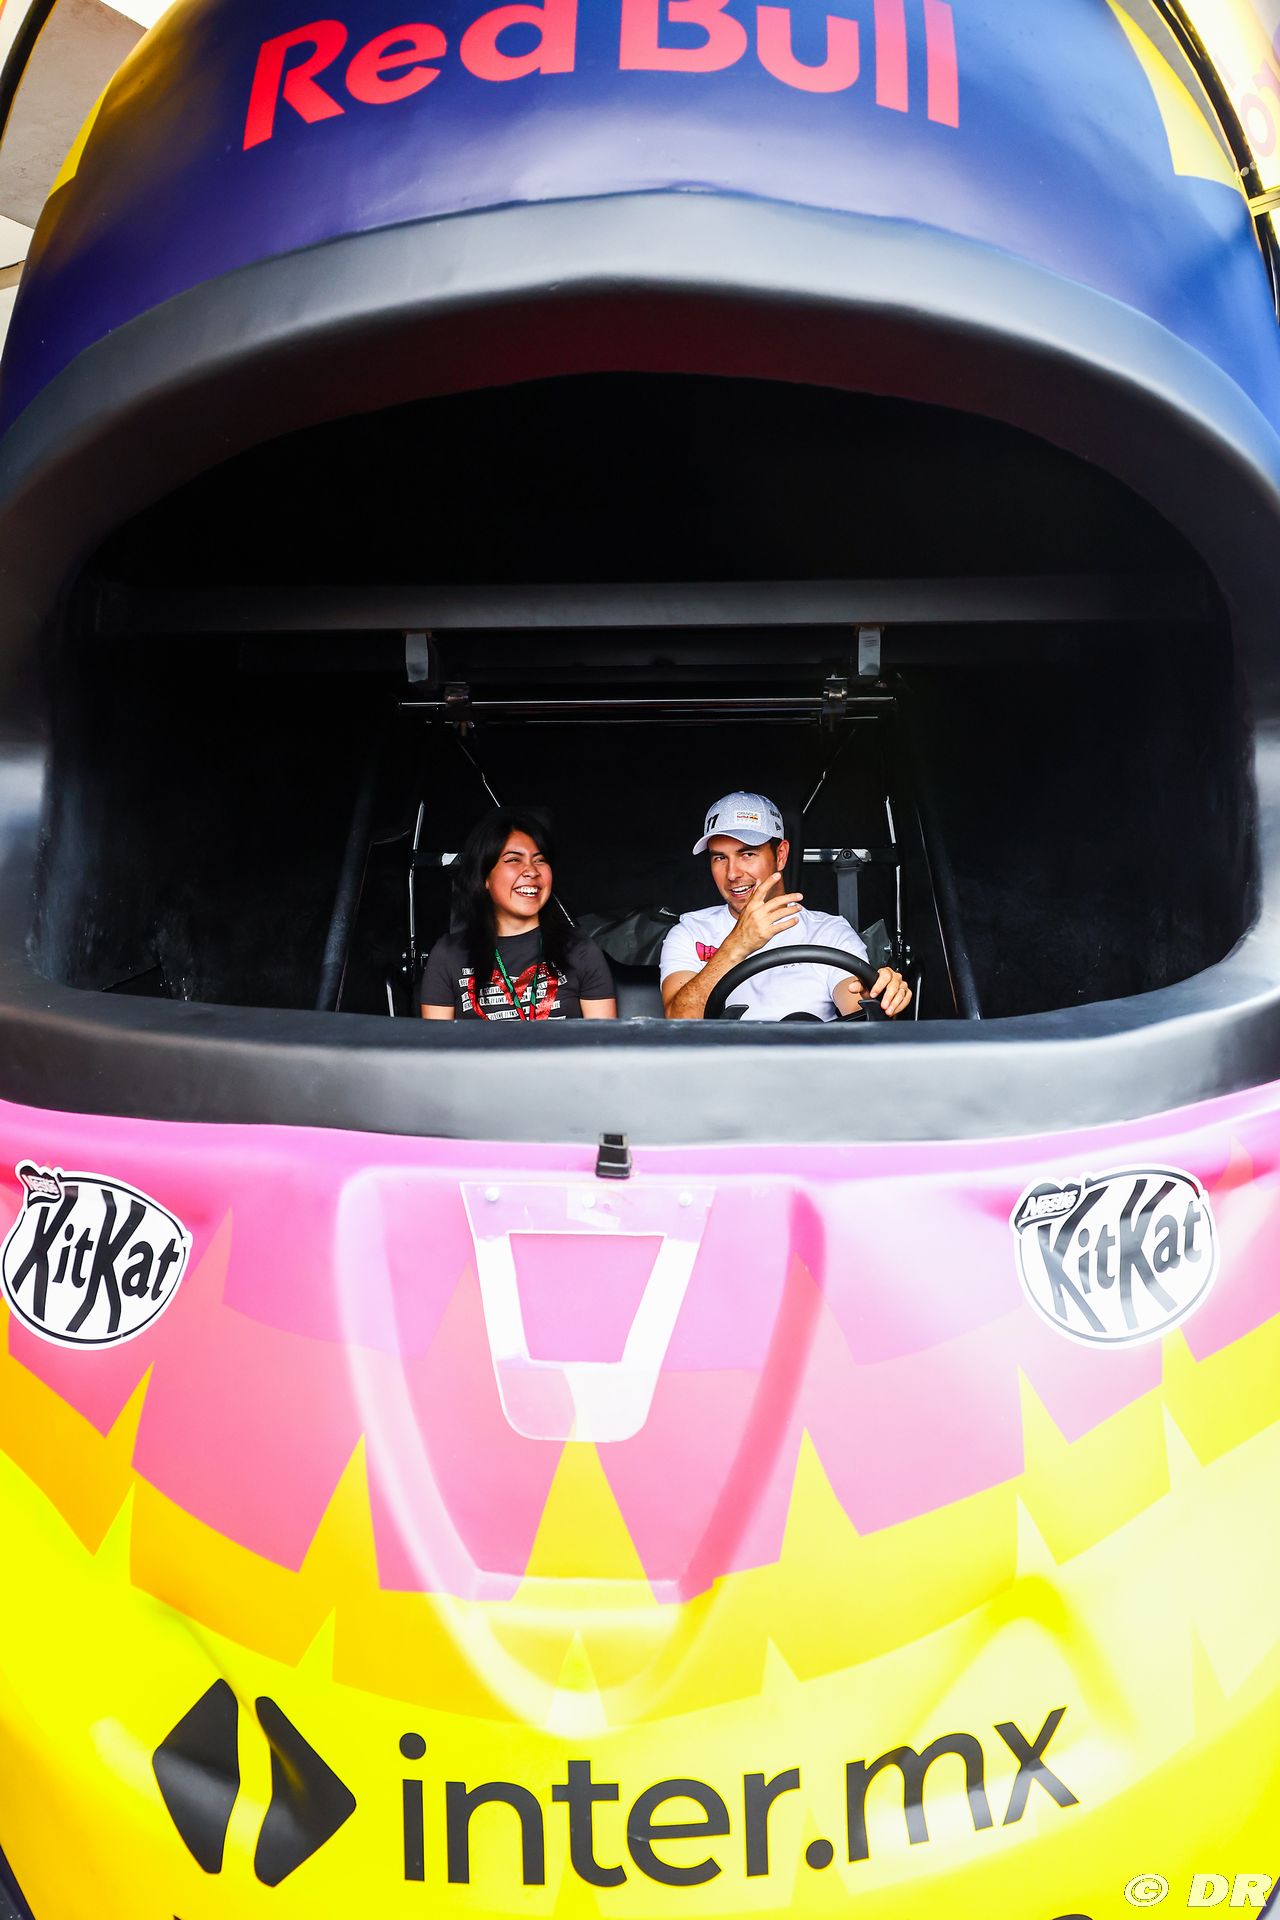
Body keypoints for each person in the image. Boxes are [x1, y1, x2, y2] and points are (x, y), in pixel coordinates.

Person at [660, 790, 912, 1021]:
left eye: (747, 854)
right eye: (719, 857)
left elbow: (860, 1014)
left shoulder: (829, 932)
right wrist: (737, 945)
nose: (732, 873)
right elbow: (678, 1020)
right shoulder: (690, 932)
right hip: (725, 1057)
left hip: (811, 1056)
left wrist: (881, 997)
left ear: (780, 855)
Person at [421, 808, 617, 1022]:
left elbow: (603, 1040)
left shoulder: (580, 950)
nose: (531, 871)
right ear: (485, 877)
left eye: (539, 860)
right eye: (514, 859)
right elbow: (436, 1042)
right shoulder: (448, 955)